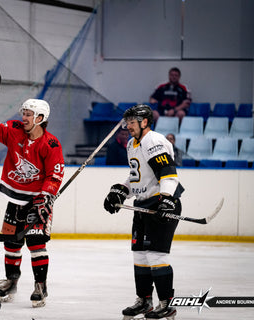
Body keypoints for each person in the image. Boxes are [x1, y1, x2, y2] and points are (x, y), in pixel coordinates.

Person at [0, 92, 65, 308]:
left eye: (29, 114)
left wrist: (46, 196)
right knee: (11, 243)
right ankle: (11, 282)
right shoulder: (15, 131)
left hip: (38, 200)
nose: (25, 117)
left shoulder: (51, 144)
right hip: (15, 197)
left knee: (36, 243)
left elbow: (55, 174)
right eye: (24, 113)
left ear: (40, 118)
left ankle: (41, 285)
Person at [103, 104, 184, 320]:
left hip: (160, 203)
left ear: (145, 122)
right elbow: (137, 176)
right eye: (127, 121)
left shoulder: (154, 141)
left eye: (132, 121)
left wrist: (166, 200)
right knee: (140, 256)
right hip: (142, 206)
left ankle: (167, 304)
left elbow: (168, 173)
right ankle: (145, 301)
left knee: (156, 256)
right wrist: (121, 191)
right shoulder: (132, 143)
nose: (128, 126)